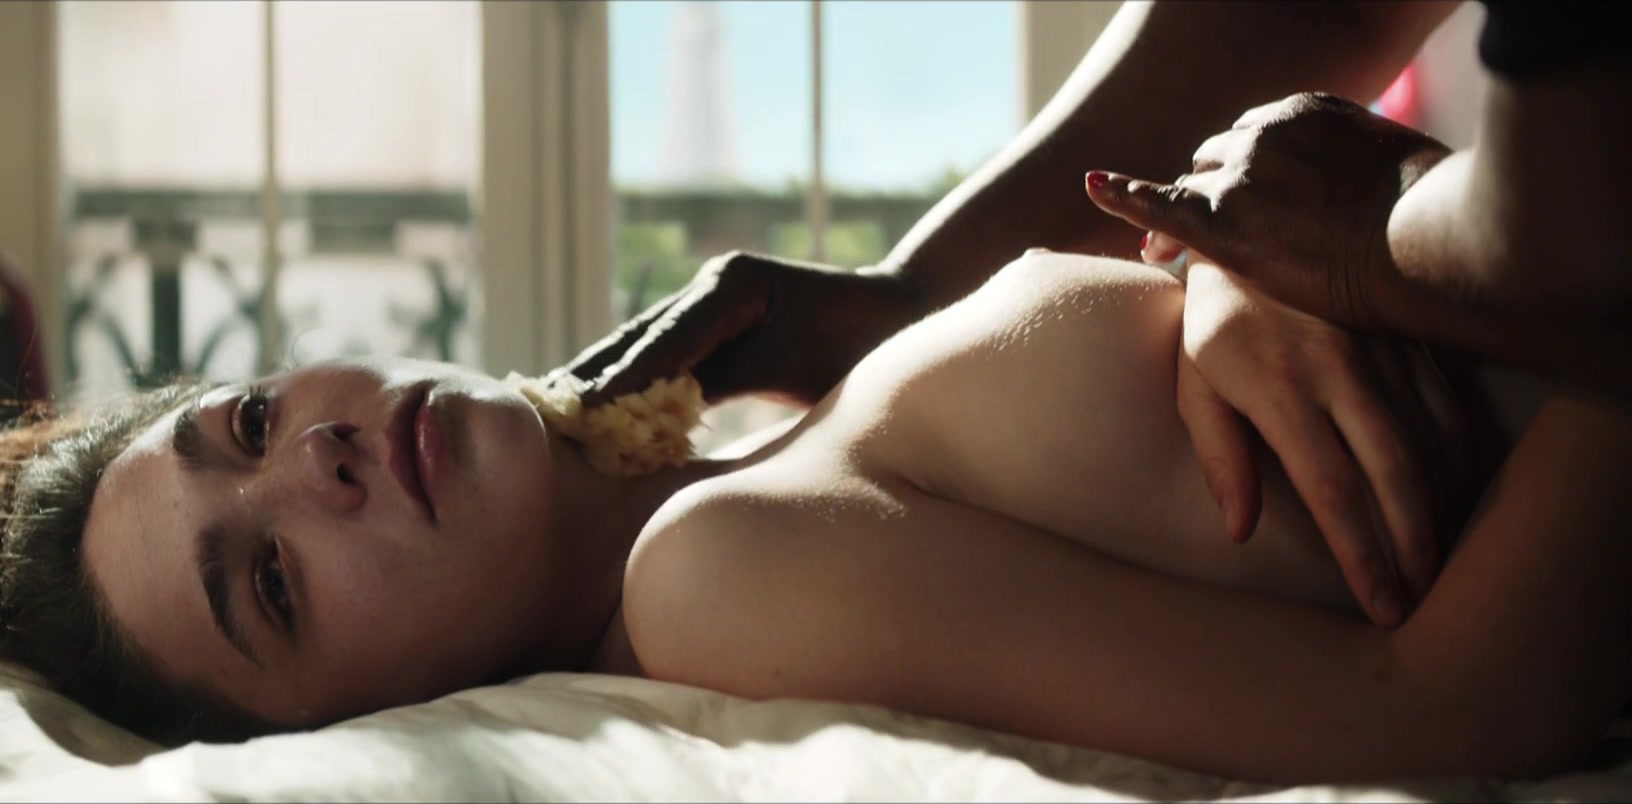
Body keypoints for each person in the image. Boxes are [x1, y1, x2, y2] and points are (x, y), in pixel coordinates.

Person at [0, 253, 1630, 784]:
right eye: (271, 584)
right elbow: (1459, 712)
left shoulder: (754, 447)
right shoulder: (716, 582)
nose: (307, 456)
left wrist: (1252, 257)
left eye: (241, 421)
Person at [561, 0, 1632, 630]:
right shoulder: (716, 573)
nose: (502, 404)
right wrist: (912, 291)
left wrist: (1332, 241)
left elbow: (1584, 234)